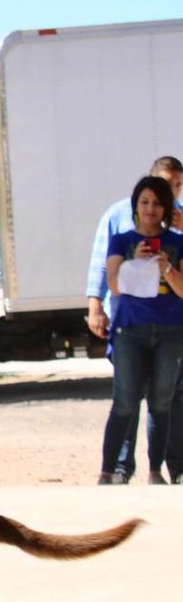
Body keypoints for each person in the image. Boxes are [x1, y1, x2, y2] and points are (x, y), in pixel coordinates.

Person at [85, 155, 183, 479]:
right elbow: (110, 277)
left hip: (170, 329)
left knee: (164, 402)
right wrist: (97, 303)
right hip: (130, 328)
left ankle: (162, 470)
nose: (152, 208)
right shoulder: (119, 231)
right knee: (125, 401)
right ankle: (113, 470)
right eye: (145, 201)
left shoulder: (178, 238)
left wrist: (166, 264)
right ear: (136, 203)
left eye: (160, 201)